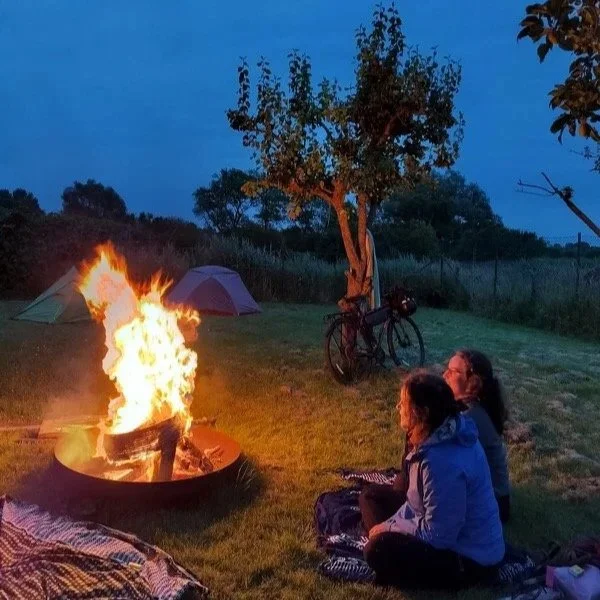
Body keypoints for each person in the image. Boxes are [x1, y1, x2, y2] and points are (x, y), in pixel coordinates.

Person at [359, 372, 505, 589]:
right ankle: (386, 544)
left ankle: (389, 556)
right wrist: (391, 524)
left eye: (404, 404)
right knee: (370, 496)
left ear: (422, 413)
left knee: (376, 550)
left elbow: (439, 536)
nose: (399, 408)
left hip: (468, 560)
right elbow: (416, 503)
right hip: (438, 525)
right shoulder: (440, 433)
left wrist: (391, 528)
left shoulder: (442, 462)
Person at [443, 349, 511, 522]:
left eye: (453, 372)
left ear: (472, 383)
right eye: (447, 369)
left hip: (492, 503)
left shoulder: (470, 418)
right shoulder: (469, 408)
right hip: (490, 495)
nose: (445, 375)